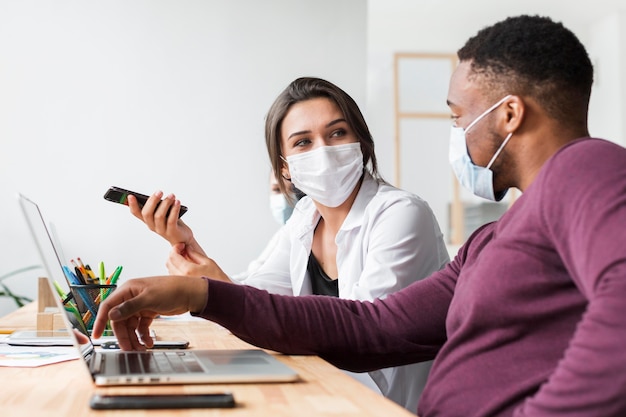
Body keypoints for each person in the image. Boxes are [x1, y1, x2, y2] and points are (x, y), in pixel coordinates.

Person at [94, 15, 626, 416]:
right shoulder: (493, 239)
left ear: (509, 114)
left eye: (457, 116)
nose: (456, 132)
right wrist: (198, 293)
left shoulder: (586, 165)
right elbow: (373, 326)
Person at [123, 77, 450, 411]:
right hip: (328, 396)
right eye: (303, 142)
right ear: (285, 167)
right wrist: (186, 244)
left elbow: (364, 337)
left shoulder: (401, 215)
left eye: (337, 133)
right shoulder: (305, 217)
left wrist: (202, 290)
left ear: (361, 142)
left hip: (389, 407)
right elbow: (255, 302)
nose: (323, 150)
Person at [230, 172, 304, 281]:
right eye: (277, 190)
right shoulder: (283, 234)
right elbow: (255, 272)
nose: (284, 198)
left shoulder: (308, 234)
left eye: (293, 190)